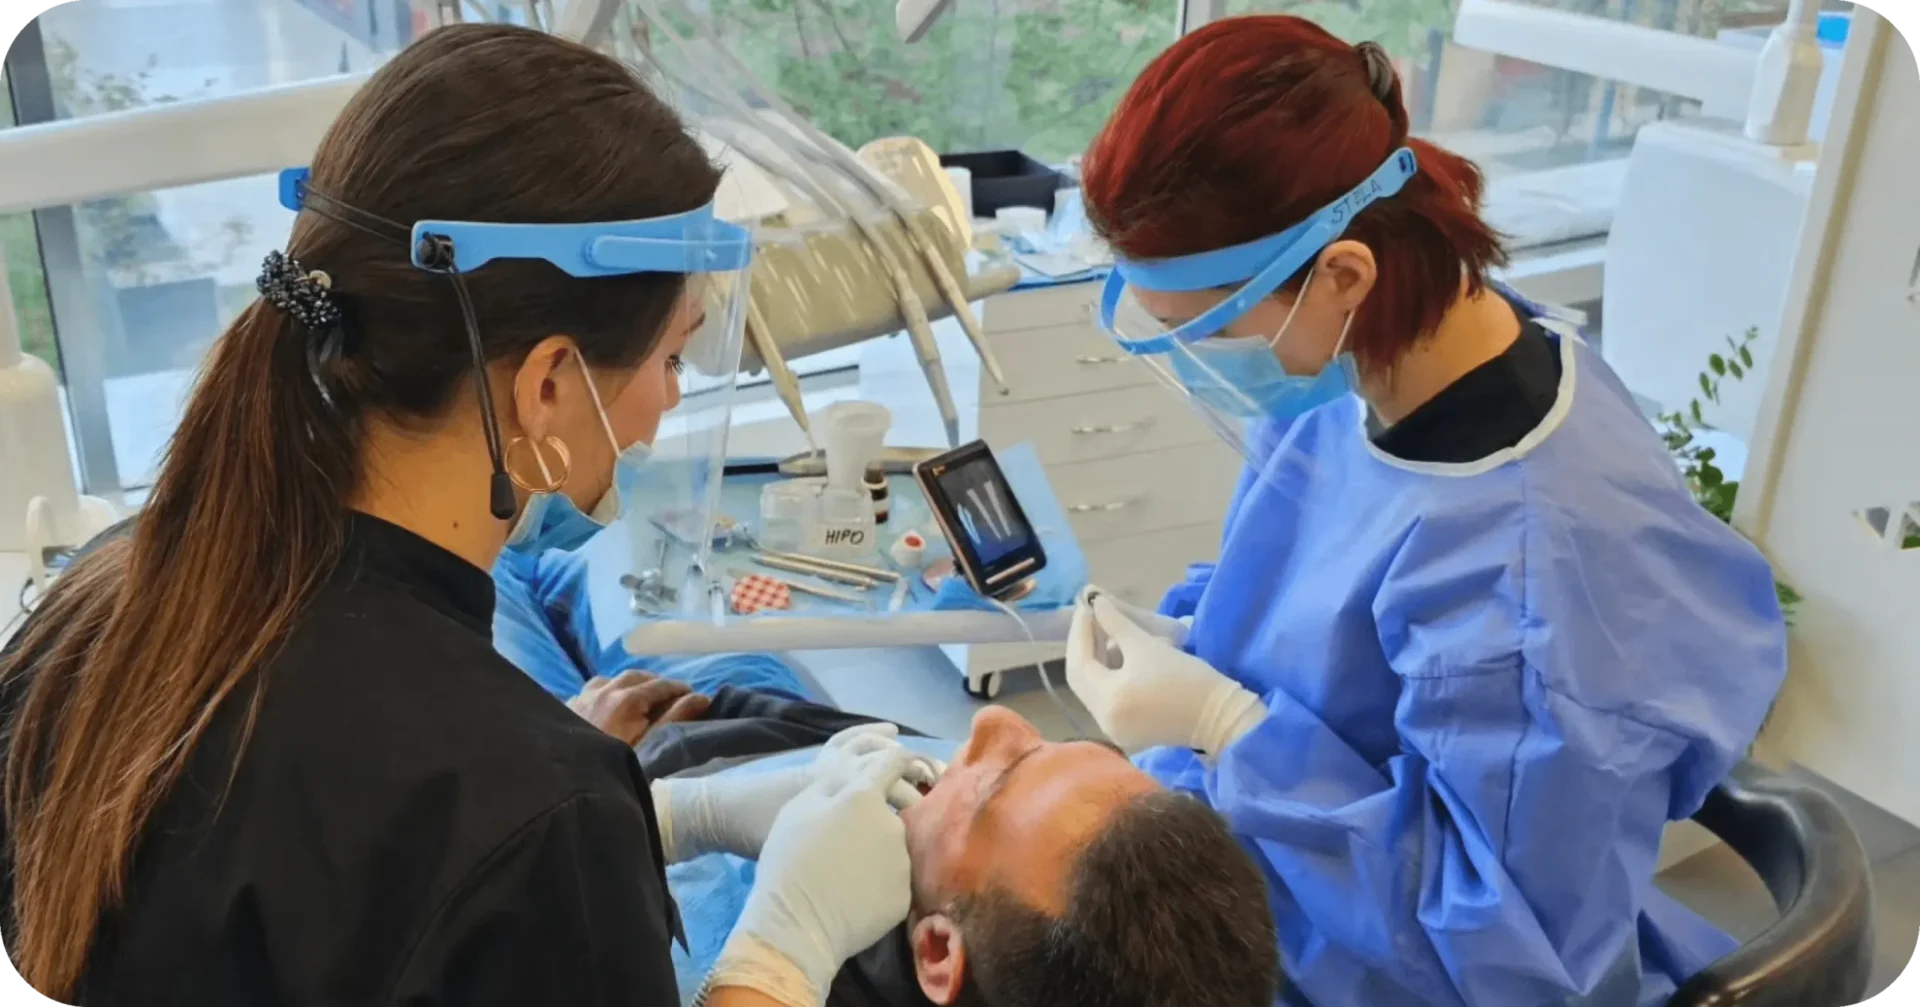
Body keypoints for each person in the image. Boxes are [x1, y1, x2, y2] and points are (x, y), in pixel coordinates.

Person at [0, 24, 918, 1007]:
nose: (670, 399)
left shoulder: (101, 588)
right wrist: (782, 950)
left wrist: (641, 809)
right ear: (551, 384)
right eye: (673, 358)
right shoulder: (530, 809)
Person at [1065, 15, 1789, 1007]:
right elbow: (1300, 585)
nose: (1201, 366)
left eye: (1207, 332)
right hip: (1278, 884)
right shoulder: (1365, 359)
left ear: (1344, 272)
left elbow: (1507, 950)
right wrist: (1195, 637)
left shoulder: (1536, 560)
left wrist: (1229, 726)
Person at [647, 704, 1282, 1007]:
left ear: (937, 951)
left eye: (994, 785)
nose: (994, 721)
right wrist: (683, 812)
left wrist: (781, 951)